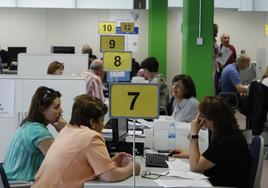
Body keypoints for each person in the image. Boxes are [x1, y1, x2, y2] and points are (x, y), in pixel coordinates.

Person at [32, 95, 141, 188]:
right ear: (92, 122)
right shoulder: (91, 137)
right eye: (102, 120)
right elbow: (109, 176)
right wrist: (131, 168)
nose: (103, 125)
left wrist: (111, 162)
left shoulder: (67, 130)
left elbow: (79, 165)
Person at [3, 86, 67, 181]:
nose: (61, 111)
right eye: (56, 107)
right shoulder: (37, 131)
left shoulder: (27, 126)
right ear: (42, 109)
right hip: (21, 185)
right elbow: (60, 163)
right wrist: (65, 132)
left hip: (11, 183)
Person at [187, 96, 251, 187]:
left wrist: (194, 134)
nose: (200, 119)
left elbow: (195, 167)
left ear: (215, 119)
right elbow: (212, 157)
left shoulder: (226, 141)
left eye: (203, 115)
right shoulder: (227, 132)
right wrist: (187, 154)